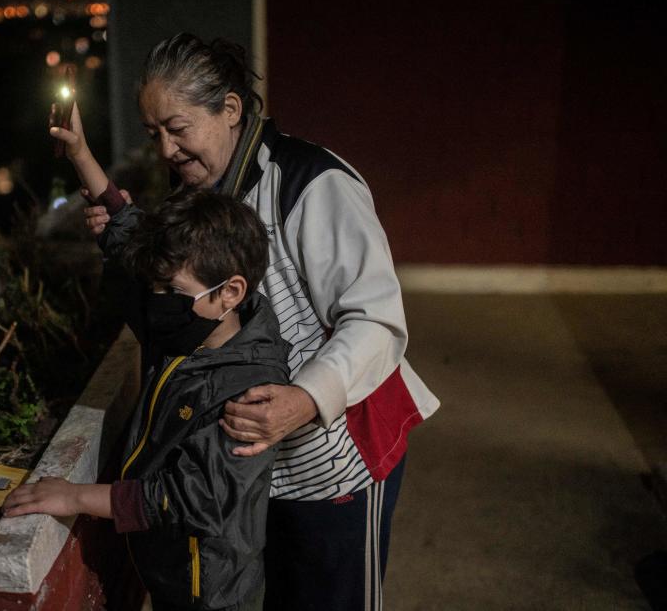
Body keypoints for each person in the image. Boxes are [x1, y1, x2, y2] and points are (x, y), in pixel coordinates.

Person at [53, 33, 441, 610]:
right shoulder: (202, 184)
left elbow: (377, 321)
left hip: (336, 461)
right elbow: (163, 260)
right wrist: (98, 182)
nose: (165, 149)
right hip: (257, 467)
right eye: (153, 133)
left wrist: (304, 400)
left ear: (230, 108)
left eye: (177, 128)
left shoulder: (313, 182)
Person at [4, 188, 291, 611]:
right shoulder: (193, 326)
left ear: (230, 291)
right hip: (171, 572)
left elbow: (196, 497)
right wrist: (104, 192)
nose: (157, 302)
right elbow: (130, 250)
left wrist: (78, 496)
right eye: (153, 287)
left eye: (170, 290)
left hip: (209, 590)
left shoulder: (251, 392)